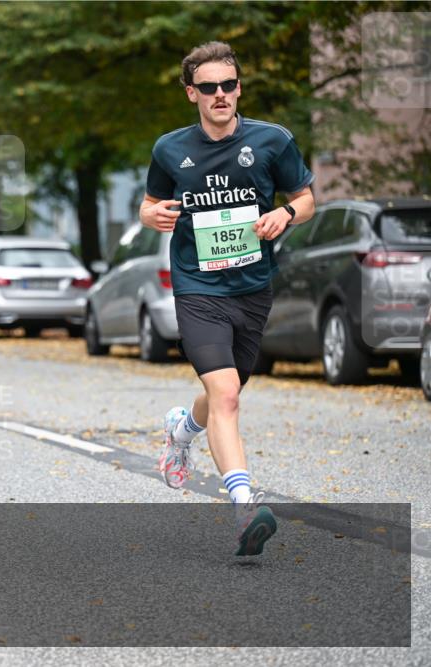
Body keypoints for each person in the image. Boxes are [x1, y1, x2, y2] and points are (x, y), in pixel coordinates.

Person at [139, 41, 315, 556]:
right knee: (229, 396)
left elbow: (305, 199)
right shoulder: (169, 149)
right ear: (192, 92)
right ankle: (244, 507)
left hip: (252, 287)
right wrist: (153, 217)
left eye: (229, 85)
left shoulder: (273, 141)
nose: (221, 95)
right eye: (210, 87)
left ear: (239, 88)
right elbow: (149, 207)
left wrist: (286, 214)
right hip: (197, 287)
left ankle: (181, 429)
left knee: (226, 391)